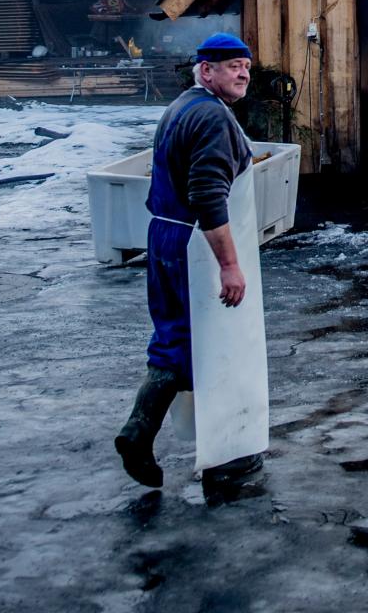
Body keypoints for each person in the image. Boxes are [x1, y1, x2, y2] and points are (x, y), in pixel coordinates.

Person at [114, 33, 253, 488]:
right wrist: (230, 265)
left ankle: (142, 430)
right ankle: (222, 449)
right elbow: (208, 195)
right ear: (206, 70)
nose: (243, 72)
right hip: (192, 241)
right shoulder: (212, 117)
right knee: (203, 340)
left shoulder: (182, 107)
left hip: (165, 233)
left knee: (174, 335)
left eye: (246, 65)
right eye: (232, 65)